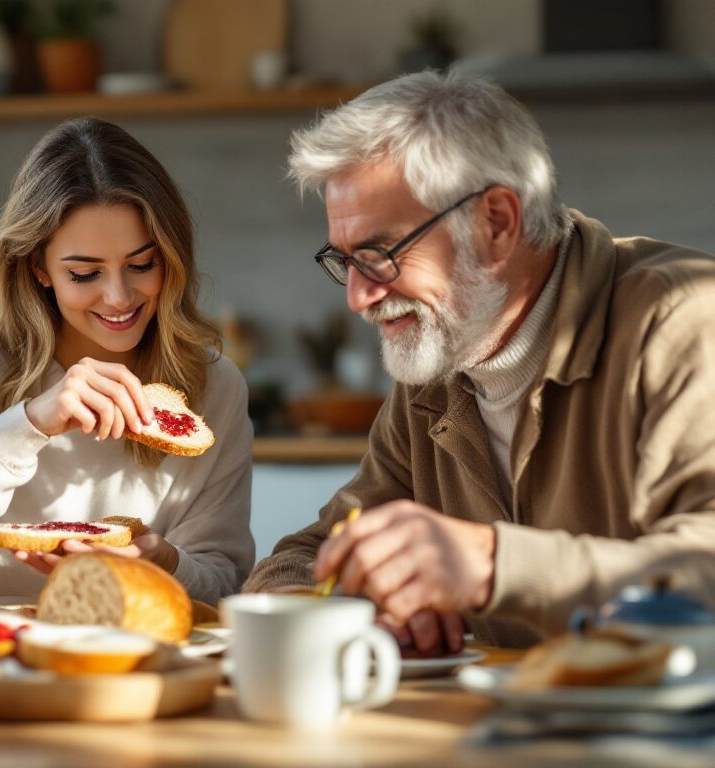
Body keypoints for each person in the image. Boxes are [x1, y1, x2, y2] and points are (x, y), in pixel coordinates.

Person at [245, 70, 715, 655]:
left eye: (379, 254)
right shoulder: (437, 368)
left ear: (496, 222)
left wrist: (491, 565)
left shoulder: (685, 320)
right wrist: (355, 614)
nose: (358, 297)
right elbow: (307, 557)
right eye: (344, 261)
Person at [0, 118, 254, 615]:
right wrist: (28, 424)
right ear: (39, 266)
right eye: (85, 273)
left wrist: (164, 563)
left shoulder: (214, 388)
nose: (119, 297)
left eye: (142, 265)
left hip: (133, 672)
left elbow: (225, 588)